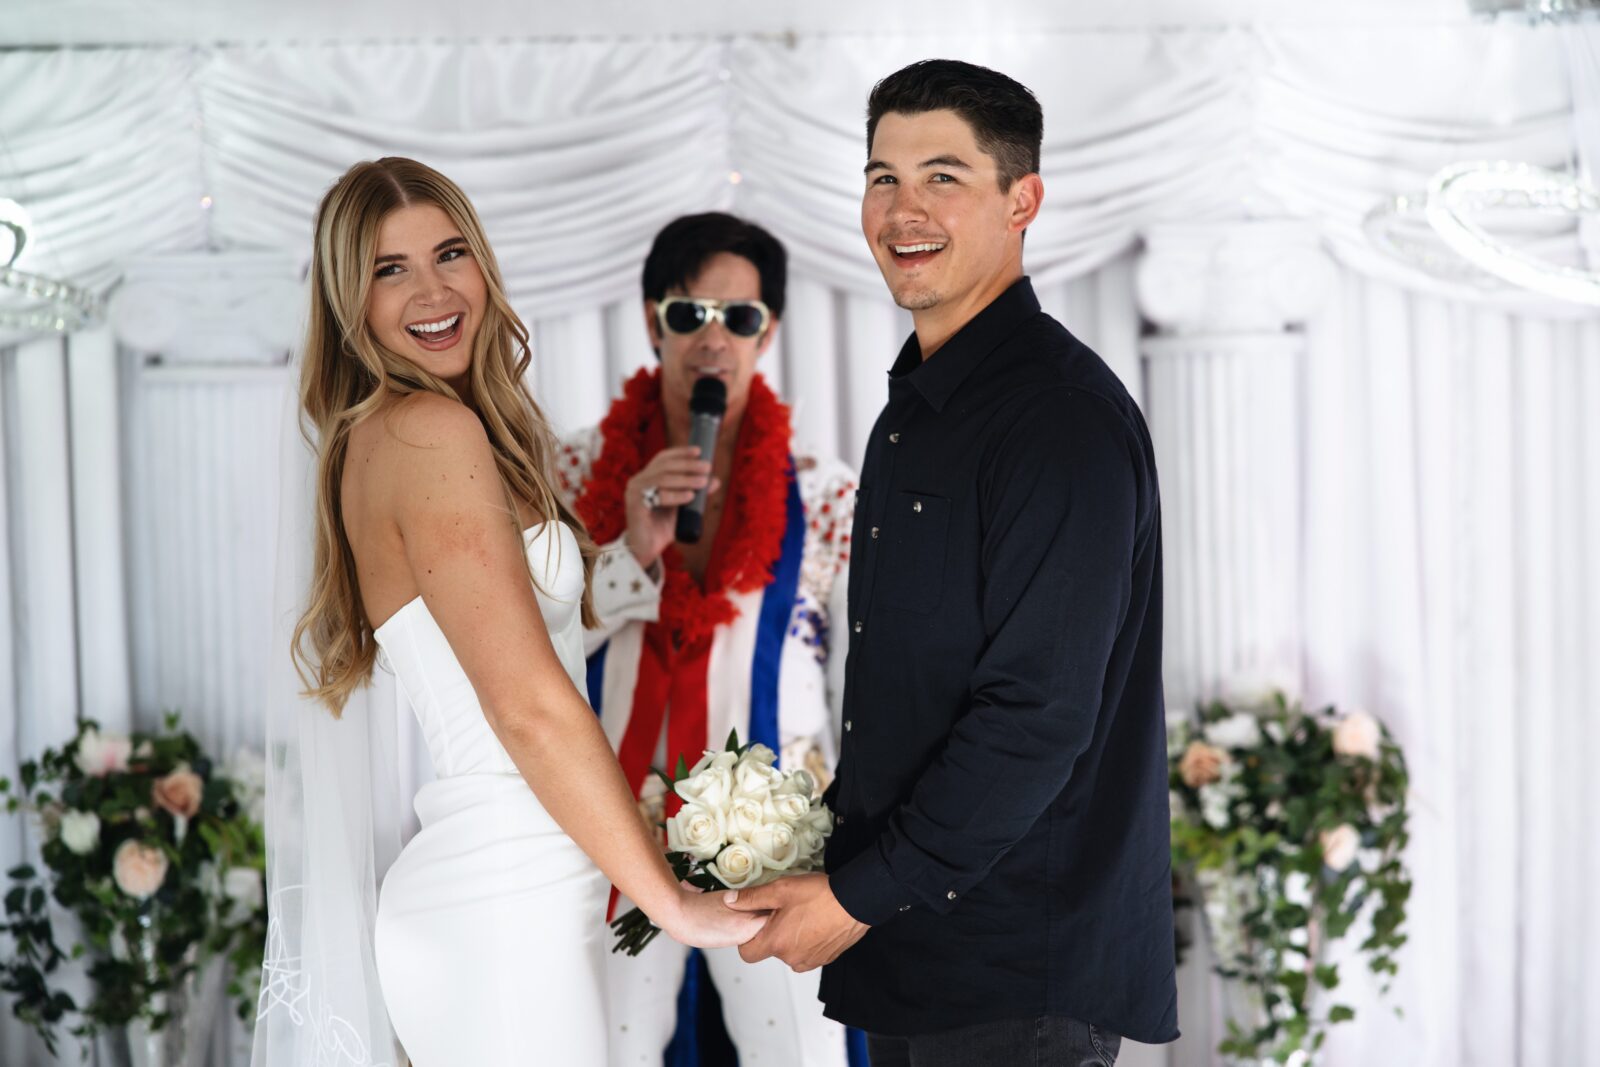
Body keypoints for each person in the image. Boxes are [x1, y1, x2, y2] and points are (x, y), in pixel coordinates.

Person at [729, 60, 1180, 1066]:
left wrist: (851, 895)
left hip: (1015, 971)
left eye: (942, 176)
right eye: (881, 176)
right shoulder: (916, 412)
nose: (901, 208)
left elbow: (1034, 719)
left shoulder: (1058, 417)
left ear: (1022, 199)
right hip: (919, 956)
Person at [277, 158, 763, 1066]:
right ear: (351, 303)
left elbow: (517, 633)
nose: (433, 289)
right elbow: (527, 706)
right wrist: (672, 901)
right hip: (503, 892)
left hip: (520, 884)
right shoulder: (428, 430)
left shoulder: (403, 433)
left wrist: (634, 553)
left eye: (450, 252)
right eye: (390, 269)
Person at [555, 211, 854, 1067]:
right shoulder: (572, 475)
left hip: (772, 841)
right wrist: (628, 551)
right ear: (654, 321)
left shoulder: (828, 495)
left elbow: (854, 679)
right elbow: (522, 650)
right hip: (608, 833)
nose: (713, 339)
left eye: (741, 318)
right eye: (689, 315)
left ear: (771, 332)